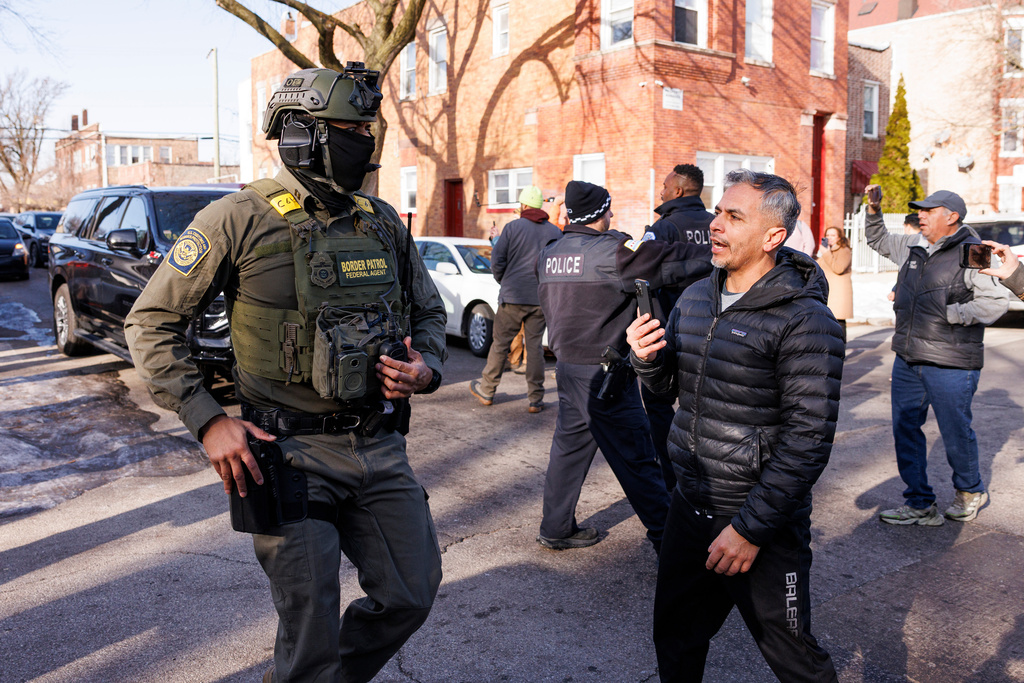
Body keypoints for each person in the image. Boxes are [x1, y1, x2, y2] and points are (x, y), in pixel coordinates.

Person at [124, 65, 447, 683]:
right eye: (350, 130)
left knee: (412, 593)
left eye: (367, 129)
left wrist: (424, 367)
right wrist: (209, 421)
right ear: (301, 136)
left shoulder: (379, 221)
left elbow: (428, 312)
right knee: (312, 626)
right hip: (289, 454)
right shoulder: (236, 219)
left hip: (379, 445)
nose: (366, 142)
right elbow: (151, 324)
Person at [627, 169, 843, 682]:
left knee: (794, 659)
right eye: (719, 212)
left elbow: (807, 443)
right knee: (675, 638)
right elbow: (666, 393)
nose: (716, 226)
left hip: (759, 521)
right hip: (690, 502)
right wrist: (648, 359)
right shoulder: (698, 296)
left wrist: (748, 530)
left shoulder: (806, 320)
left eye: (734, 216)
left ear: (773, 236)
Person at [535, 180, 711, 551]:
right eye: (609, 210)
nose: (612, 215)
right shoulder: (612, 252)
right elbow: (678, 262)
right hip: (605, 374)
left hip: (567, 368)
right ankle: (671, 543)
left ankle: (556, 527)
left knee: (568, 452)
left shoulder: (550, 252)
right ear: (602, 212)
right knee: (638, 459)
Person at [864, 185, 1009, 525]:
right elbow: (878, 240)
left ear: (952, 216)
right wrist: (873, 210)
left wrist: (951, 315)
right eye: (920, 211)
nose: (921, 216)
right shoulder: (914, 245)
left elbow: (995, 301)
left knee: (955, 429)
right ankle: (919, 502)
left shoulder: (973, 251)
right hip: (908, 357)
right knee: (906, 430)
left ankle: (970, 490)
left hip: (951, 362)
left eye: (929, 211)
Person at [643, 164, 715, 490]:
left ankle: (671, 478)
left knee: (658, 402)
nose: (661, 190)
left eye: (665, 185)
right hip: (716, 331)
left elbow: (642, 273)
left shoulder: (665, 227)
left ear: (679, 191)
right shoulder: (718, 224)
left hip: (673, 329)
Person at [470, 186, 562, 412]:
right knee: (535, 349)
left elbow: (497, 261)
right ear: (540, 206)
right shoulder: (554, 232)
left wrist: (505, 282)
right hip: (540, 299)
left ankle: (488, 391)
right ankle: (536, 399)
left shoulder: (512, 228)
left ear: (523, 205)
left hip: (513, 297)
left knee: (500, 344)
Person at [817, 225, 853, 340]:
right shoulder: (827, 250)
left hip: (839, 294)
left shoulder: (844, 250)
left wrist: (826, 253)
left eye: (833, 235)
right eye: (827, 235)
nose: (830, 238)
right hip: (828, 291)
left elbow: (839, 268)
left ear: (839, 237)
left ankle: (841, 350)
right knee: (827, 322)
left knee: (838, 322)